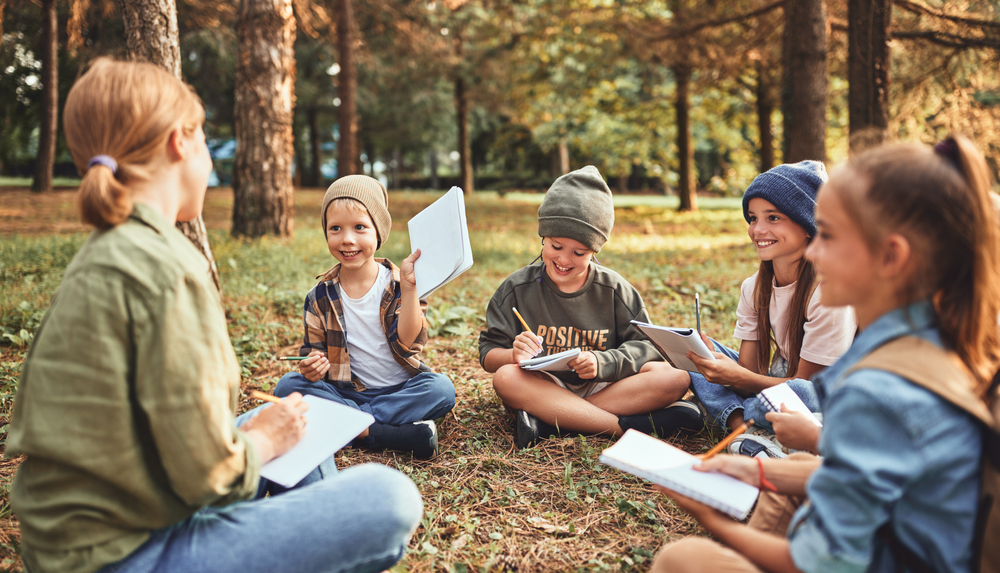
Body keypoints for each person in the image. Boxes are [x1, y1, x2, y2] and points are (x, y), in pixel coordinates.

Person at [5, 58, 423, 573]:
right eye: (204, 138)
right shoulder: (166, 269)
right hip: (130, 553)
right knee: (389, 497)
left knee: (300, 416)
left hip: (100, 525)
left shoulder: (110, 250)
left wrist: (269, 434)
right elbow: (205, 473)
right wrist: (264, 441)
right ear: (181, 142)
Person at [651, 134, 1000, 573]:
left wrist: (710, 519)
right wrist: (762, 474)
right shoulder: (949, 343)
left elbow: (815, 565)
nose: (814, 250)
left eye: (829, 235)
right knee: (791, 468)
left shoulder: (879, 393)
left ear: (891, 257)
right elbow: (878, 479)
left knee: (683, 558)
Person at [479, 165, 702, 449]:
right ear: (543, 237)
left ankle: (551, 422)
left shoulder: (614, 289)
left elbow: (647, 347)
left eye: (579, 252)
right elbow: (488, 354)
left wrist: (602, 362)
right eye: (556, 246)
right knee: (506, 377)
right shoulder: (516, 288)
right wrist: (514, 353)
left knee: (675, 377)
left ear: (595, 250)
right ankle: (621, 428)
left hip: (605, 386)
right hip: (543, 387)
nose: (564, 259)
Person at [273, 175, 456, 459]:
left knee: (441, 389)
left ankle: (349, 427)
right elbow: (312, 356)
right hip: (346, 393)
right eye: (335, 228)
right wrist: (311, 367)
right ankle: (388, 434)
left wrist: (409, 290)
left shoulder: (401, 283)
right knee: (288, 386)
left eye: (360, 227)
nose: (347, 239)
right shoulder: (319, 296)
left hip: (400, 391)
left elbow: (409, 343)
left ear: (378, 233)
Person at [685, 161, 856, 458]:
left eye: (773, 218)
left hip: (833, 390)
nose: (757, 230)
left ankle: (744, 422)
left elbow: (807, 385)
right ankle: (750, 428)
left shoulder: (829, 291)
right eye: (753, 218)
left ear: (807, 226)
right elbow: (750, 370)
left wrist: (735, 378)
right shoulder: (754, 287)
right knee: (697, 365)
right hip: (779, 378)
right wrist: (714, 360)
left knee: (794, 395)